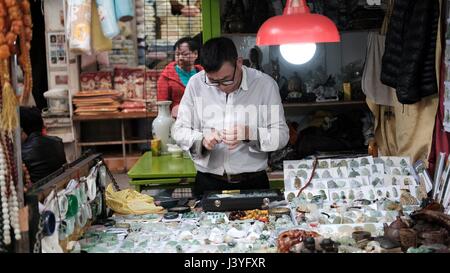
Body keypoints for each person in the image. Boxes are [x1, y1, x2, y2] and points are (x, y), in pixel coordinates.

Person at [172, 37, 289, 198]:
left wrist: (250, 133)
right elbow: (179, 131)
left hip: (252, 183)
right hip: (208, 183)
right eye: (214, 81)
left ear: (239, 62)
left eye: (227, 79)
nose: (221, 87)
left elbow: (282, 135)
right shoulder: (196, 84)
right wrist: (202, 140)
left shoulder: (264, 85)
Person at [157, 37, 203, 117]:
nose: (180, 58)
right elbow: (163, 105)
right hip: (178, 119)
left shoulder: (203, 73)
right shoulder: (166, 76)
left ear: (195, 54)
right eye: (177, 54)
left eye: (185, 54)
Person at [20, 106, 67, 183]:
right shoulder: (57, 142)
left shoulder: (22, 153)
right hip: (58, 187)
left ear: (21, 129)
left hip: (40, 192)